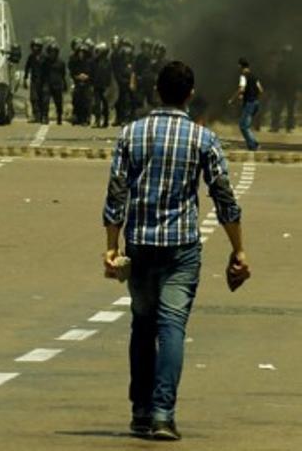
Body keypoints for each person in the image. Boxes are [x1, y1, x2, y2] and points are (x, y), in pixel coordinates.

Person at [102, 61, 248, 442]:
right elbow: (224, 198)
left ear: (156, 92)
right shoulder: (203, 140)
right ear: (189, 94)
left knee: (142, 325)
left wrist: (110, 248)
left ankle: (140, 411)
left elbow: (116, 194)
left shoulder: (130, 134)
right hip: (181, 248)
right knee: (171, 328)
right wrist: (239, 250)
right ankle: (163, 415)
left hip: (140, 246)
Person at [230, 58, 263, 151]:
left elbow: (241, 89)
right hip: (255, 102)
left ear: (240, 66)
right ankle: (252, 144)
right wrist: (255, 98)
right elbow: (261, 90)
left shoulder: (243, 76)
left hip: (249, 103)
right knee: (245, 125)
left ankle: (254, 145)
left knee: (243, 126)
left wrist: (232, 99)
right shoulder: (254, 76)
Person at [270, 44, 297, 133]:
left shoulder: (282, 64)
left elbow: (276, 77)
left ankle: (278, 126)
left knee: (283, 108)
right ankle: (283, 126)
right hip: (286, 89)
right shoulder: (283, 64)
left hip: (285, 89)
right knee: (284, 109)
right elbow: (276, 77)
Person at [38, 42, 67, 125]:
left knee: (58, 102)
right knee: (45, 101)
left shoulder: (61, 62)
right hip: (47, 83)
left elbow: (63, 74)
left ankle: (59, 117)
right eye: (51, 52)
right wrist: (41, 84)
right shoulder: (45, 62)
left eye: (54, 52)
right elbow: (42, 73)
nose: (52, 54)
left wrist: (64, 84)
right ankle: (45, 117)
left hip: (57, 84)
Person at [24, 38, 45, 123]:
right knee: (34, 98)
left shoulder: (44, 57)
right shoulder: (31, 57)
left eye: (37, 46)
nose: (35, 48)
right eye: (34, 46)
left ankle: (42, 115)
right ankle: (36, 115)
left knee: (42, 99)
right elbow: (27, 67)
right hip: (34, 80)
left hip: (43, 80)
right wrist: (25, 78)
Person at [91, 42, 112, 128]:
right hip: (97, 85)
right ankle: (97, 120)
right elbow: (92, 72)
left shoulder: (107, 62)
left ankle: (106, 121)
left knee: (105, 104)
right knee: (97, 104)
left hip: (104, 86)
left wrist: (108, 85)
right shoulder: (95, 61)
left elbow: (109, 75)